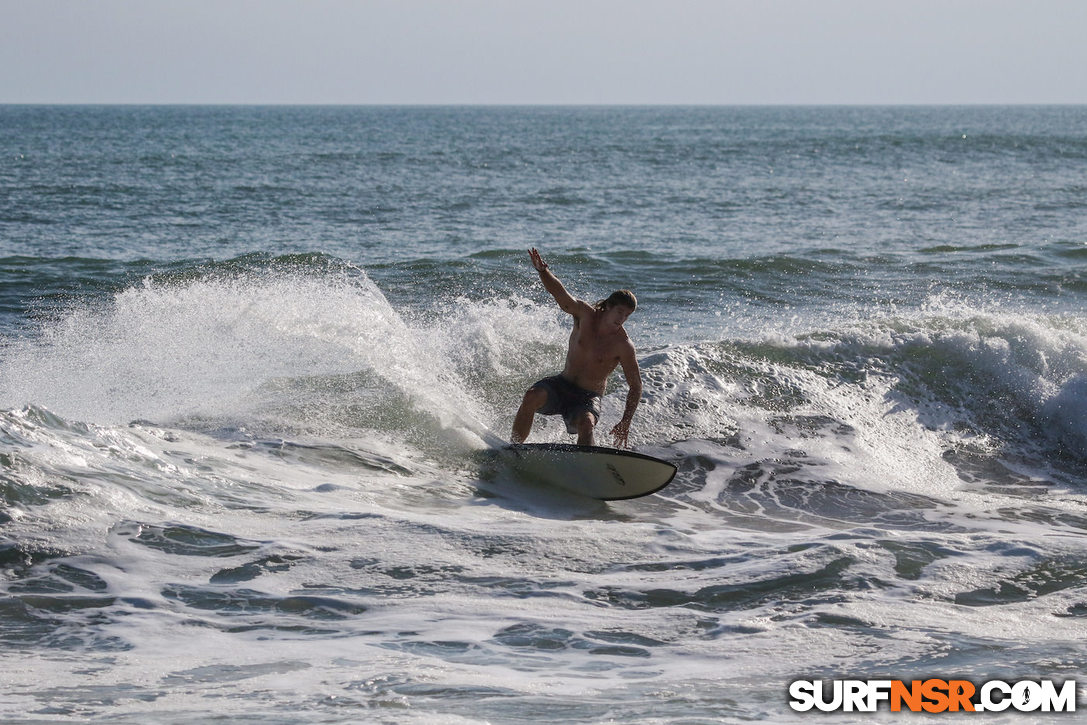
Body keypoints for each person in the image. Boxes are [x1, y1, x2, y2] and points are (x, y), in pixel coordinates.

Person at [511, 248, 643, 448]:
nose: (622, 319)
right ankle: (512, 449)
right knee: (531, 396)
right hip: (562, 384)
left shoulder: (623, 345)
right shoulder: (584, 315)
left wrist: (626, 421)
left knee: (587, 423)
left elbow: (636, 385)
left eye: (627, 315)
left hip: (587, 397)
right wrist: (543, 272)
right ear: (608, 306)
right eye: (620, 312)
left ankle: (586, 465)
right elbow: (560, 294)